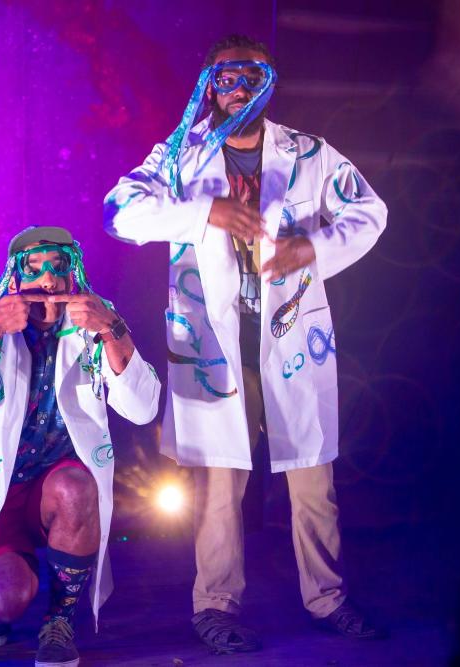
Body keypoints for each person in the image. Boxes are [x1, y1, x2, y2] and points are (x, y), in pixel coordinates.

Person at [103, 34, 387, 652]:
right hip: (215, 348)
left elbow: (370, 211)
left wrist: (311, 249)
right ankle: (216, 608)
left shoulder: (309, 155)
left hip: (290, 338)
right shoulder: (180, 158)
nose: (235, 89)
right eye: (223, 78)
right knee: (218, 485)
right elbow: (118, 212)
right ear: (208, 87)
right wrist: (204, 214)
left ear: (267, 85)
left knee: (313, 479)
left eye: (248, 78)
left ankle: (328, 598)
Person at [0, 226, 161, 667]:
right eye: (34, 270)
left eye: (58, 268)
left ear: (74, 274)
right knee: (4, 601)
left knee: (75, 486)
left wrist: (111, 328)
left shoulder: (98, 322)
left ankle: (60, 620)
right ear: (13, 278)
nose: (48, 281)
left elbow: (143, 409)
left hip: (56, 486)